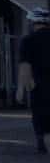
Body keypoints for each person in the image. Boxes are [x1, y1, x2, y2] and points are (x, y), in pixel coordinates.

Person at [21, 8, 50, 152]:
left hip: (40, 86)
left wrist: (22, 90)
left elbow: (25, 67)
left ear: (33, 22)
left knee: (43, 121)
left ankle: (42, 144)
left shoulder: (28, 41)